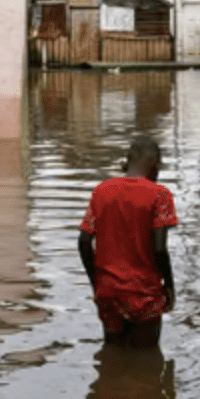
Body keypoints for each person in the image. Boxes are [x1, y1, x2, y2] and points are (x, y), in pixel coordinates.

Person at [78, 136, 177, 347]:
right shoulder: (160, 196)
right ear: (155, 165)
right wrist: (169, 286)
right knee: (147, 361)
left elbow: (84, 242)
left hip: (108, 292)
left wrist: (96, 282)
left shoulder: (101, 191)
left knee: (112, 355)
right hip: (144, 293)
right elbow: (160, 249)